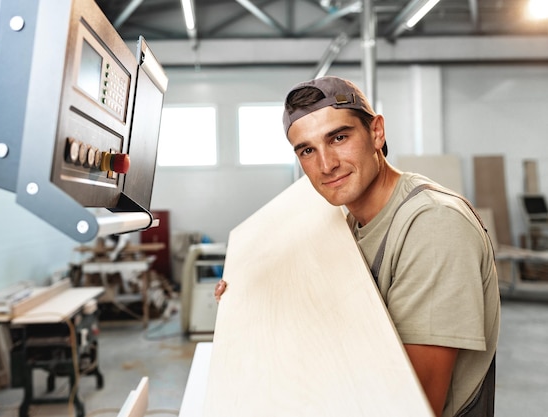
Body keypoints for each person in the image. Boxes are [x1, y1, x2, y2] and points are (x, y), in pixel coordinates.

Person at [214, 76, 500, 417]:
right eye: (307, 150)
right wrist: (248, 303)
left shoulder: (433, 225)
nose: (326, 164)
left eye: (338, 137)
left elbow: (414, 404)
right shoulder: (346, 224)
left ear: (376, 132)